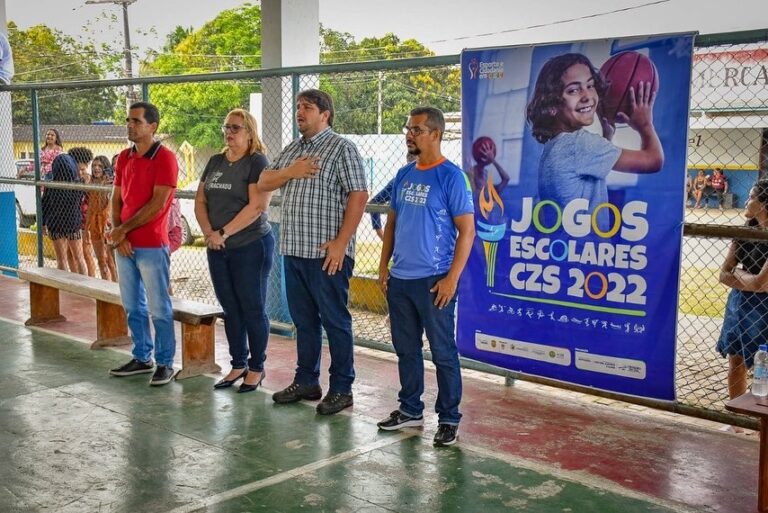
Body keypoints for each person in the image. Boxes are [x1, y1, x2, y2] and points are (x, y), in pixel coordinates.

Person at [258, 89, 368, 415]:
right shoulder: (293, 150)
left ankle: (342, 388)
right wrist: (290, 171)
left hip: (327, 254)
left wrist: (341, 242)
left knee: (335, 322)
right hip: (294, 251)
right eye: (298, 107)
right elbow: (264, 181)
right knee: (304, 322)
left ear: (325, 114)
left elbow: (359, 195)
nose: (299, 113)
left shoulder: (342, 148)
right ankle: (306, 380)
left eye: (307, 108)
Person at [375, 107, 475, 447]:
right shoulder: (404, 175)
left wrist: (451, 279)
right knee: (406, 350)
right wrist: (383, 266)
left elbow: (467, 232)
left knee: (443, 352)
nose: (409, 134)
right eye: (408, 128)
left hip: (434, 281)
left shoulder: (452, 177)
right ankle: (410, 411)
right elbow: (391, 224)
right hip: (400, 280)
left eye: (416, 129)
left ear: (435, 133)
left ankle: (448, 418)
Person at [526, 53, 663, 231]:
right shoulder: (579, 145)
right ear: (552, 106)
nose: (587, 96)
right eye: (573, 90)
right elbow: (654, 161)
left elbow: (583, 178)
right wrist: (645, 124)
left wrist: (607, 137)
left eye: (590, 85)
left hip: (564, 250)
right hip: (584, 253)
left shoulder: (554, 146)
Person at [195, 108, 274, 393]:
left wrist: (224, 233)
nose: (229, 133)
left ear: (250, 132)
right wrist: (209, 234)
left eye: (236, 128)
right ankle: (238, 363)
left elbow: (257, 207)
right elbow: (201, 200)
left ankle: (256, 367)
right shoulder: (216, 161)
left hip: (250, 245)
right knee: (230, 308)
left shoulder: (257, 161)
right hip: (218, 246)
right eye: (226, 127)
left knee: (252, 308)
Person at [108, 102, 179, 387]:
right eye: (128, 121)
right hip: (124, 244)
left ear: (153, 126)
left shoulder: (165, 158)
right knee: (132, 306)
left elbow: (158, 204)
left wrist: (123, 231)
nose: (130, 125)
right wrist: (119, 233)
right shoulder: (124, 157)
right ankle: (142, 357)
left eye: (136, 121)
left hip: (150, 245)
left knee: (159, 307)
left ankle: (165, 362)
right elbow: (116, 199)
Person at [717, 179, 768, 401]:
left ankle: (761, 419)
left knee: (762, 362)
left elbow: (760, 282)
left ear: (764, 204)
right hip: (739, 302)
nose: (746, 202)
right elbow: (724, 274)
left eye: (751, 197)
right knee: (736, 358)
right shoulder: (746, 231)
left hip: (763, 306)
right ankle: (736, 419)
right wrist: (751, 280)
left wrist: (739, 275)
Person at [41, 152, 86, 274]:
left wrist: (43, 223)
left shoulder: (51, 185)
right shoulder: (78, 184)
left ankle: (64, 286)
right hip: (73, 223)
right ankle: (85, 284)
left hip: (56, 223)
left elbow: (44, 204)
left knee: (61, 260)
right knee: (79, 258)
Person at [88, 155, 117, 281]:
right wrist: (86, 229)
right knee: (101, 261)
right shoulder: (91, 183)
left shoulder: (112, 183)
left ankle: (117, 289)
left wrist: (106, 187)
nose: (96, 168)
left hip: (107, 224)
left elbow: (109, 206)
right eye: (94, 166)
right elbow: (90, 207)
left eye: (100, 166)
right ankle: (105, 286)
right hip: (95, 224)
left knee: (111, 261)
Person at [71, 147, 97, 277]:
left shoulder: (89, 179)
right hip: (74, 220)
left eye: (83, 169)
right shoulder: (70, 178)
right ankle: (75, 279)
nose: (81, 172)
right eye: (78, 170)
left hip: (86, 221)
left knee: (86, 253)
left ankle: (91, 280)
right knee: (72, 253)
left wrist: (86, 185)